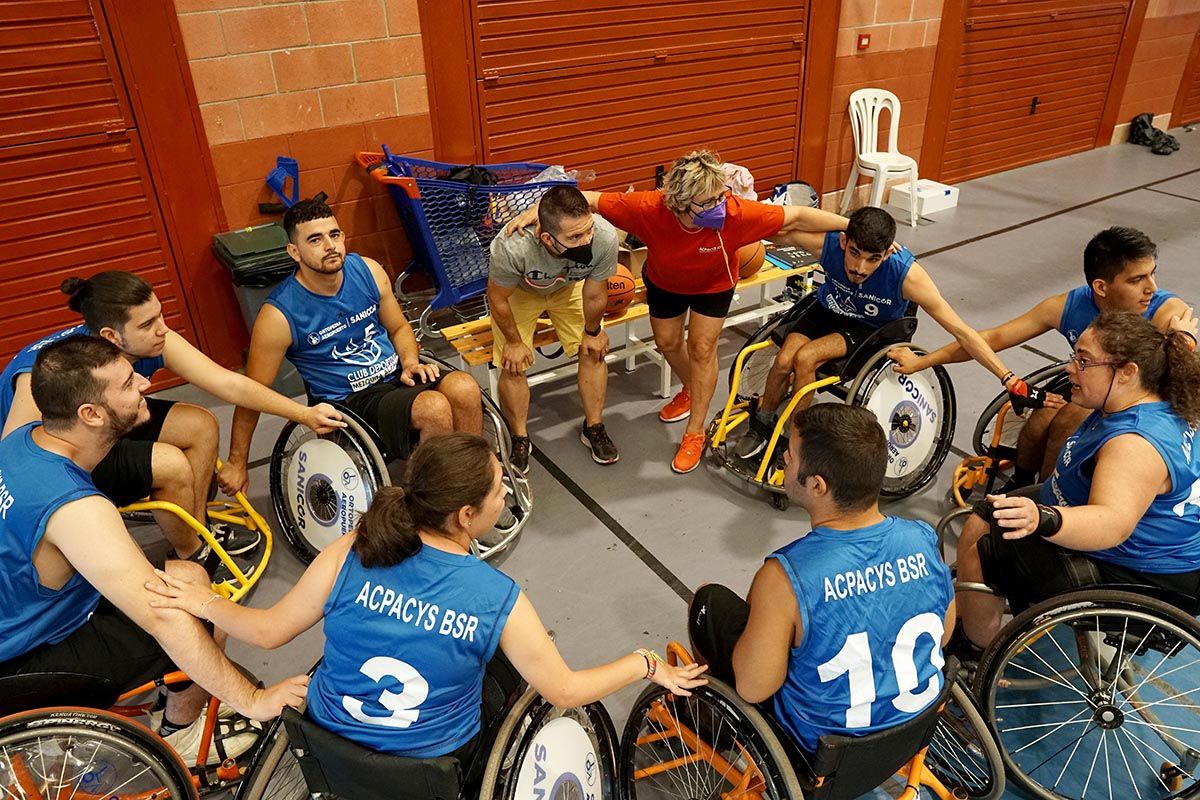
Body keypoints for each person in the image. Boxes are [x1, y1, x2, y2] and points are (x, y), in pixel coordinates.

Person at [146, 432, 707, 787]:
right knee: (508, 673)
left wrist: (206, 600)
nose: (506, 497)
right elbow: (562, 692)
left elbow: (267, 633)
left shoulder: (354, 546)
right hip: (430, 766)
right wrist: (645, 664)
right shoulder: (494, 596)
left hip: (327, 743)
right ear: (466, 516)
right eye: (497, 493)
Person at [0, 336, 308, 763]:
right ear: (89, 414)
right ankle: (181, 735)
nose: (144, 386)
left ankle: (177, 696)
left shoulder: (20, 441)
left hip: (24, 619)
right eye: (127, 384)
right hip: (22, 663)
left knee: (190, 578)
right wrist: (254, 699)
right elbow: (163, 619)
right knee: (196, 610)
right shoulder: (75, 508)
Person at [507, 149, 850, 474]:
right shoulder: (648, 208)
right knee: (668, 343)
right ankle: (691, 388)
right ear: (681, 204)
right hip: (665, 281)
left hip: (714, 284)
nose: (720, 205)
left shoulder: (736, 213)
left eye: (721, 196)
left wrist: (851, 226)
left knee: (702, 348)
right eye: (708, 202)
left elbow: (801, 215)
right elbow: (588, 199)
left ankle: (695, 431)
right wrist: (537, 212)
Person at [0, 271, 343, 569]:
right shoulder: (46, 376)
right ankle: (192, 557)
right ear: (110, 337)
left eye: (160, 315)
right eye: (148, 324)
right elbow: (15, 462)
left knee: (201, 424)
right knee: (171, 465)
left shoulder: (153, 341)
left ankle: (196, 529)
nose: (163, 329)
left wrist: (304, 413)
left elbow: (229, 384)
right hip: (67, 449)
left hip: (112, 416)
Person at [688, 403, 954, 753]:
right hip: (915, 728)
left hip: (825, 753)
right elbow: (944, 633)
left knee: (708, 602)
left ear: (816, 485)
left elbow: (755, 688)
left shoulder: (785, 575)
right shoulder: (924, 538)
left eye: (792, 454)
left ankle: (707, 722)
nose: (784, 456)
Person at [221, 199, 504, 524]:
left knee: (465, 387)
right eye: (315, 240)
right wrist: (237, 460)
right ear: (294, 252)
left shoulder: (367, 271)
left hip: (396, 377)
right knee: (434, 407)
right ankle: (433, 513)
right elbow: (250, 393)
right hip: (349, 402)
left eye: (334, 235)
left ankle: (472, 487)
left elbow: (398, 327)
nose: (330, 246)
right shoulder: (279, 315)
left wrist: (410, 360)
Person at [952, 311, 1200, 654]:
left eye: (1084, 361)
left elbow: (1112, 523)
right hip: (1134, 532)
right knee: (984, 517)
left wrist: (1044, 518)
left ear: (1128, 372)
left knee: (984, 551)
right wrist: (1186, 341)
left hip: (1137, 569)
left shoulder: (1134, 445)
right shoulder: (1155, 390)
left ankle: (974, 650)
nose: (1071, 367)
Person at [732, 206, 1053, 460]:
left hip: (868, 328)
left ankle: (793, 440)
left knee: (805, 358)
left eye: (873, 258)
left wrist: (1008, 378)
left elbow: (962, 331)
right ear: (844, 241)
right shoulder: (827, 243)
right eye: (855, 252)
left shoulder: (908, 276)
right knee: (783, 358)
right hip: (828, 308)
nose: (860, 267)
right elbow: (777, 227)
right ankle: (761, 424)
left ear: (887, 253)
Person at [891, 226, 1190, 484]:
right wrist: (924, 361)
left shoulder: (1164, 311)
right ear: (1100, 287)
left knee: (1066, 421)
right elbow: (991, 338)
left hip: (1133, 404)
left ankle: (1050, 497)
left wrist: (1184, 341)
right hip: (1090, 383)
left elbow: (1178, 370)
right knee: (1040, 420)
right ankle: (1021, 484)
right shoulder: (1066, 307)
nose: (1152, 287)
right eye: (1137, 279)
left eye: (1152, 275)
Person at [488, 185, 620, 471]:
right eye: (575, 237)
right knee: (512, 363)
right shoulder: (513, 245)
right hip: (520, 293)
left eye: (587, 231)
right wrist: (513, 341)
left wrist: (593, 332)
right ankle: (520, 436)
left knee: (593, 351)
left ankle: (594, 427)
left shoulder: (604, 236)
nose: (586, 240)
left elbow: (596, 292)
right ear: (546, 237)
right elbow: (497, 298)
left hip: (567, 288)